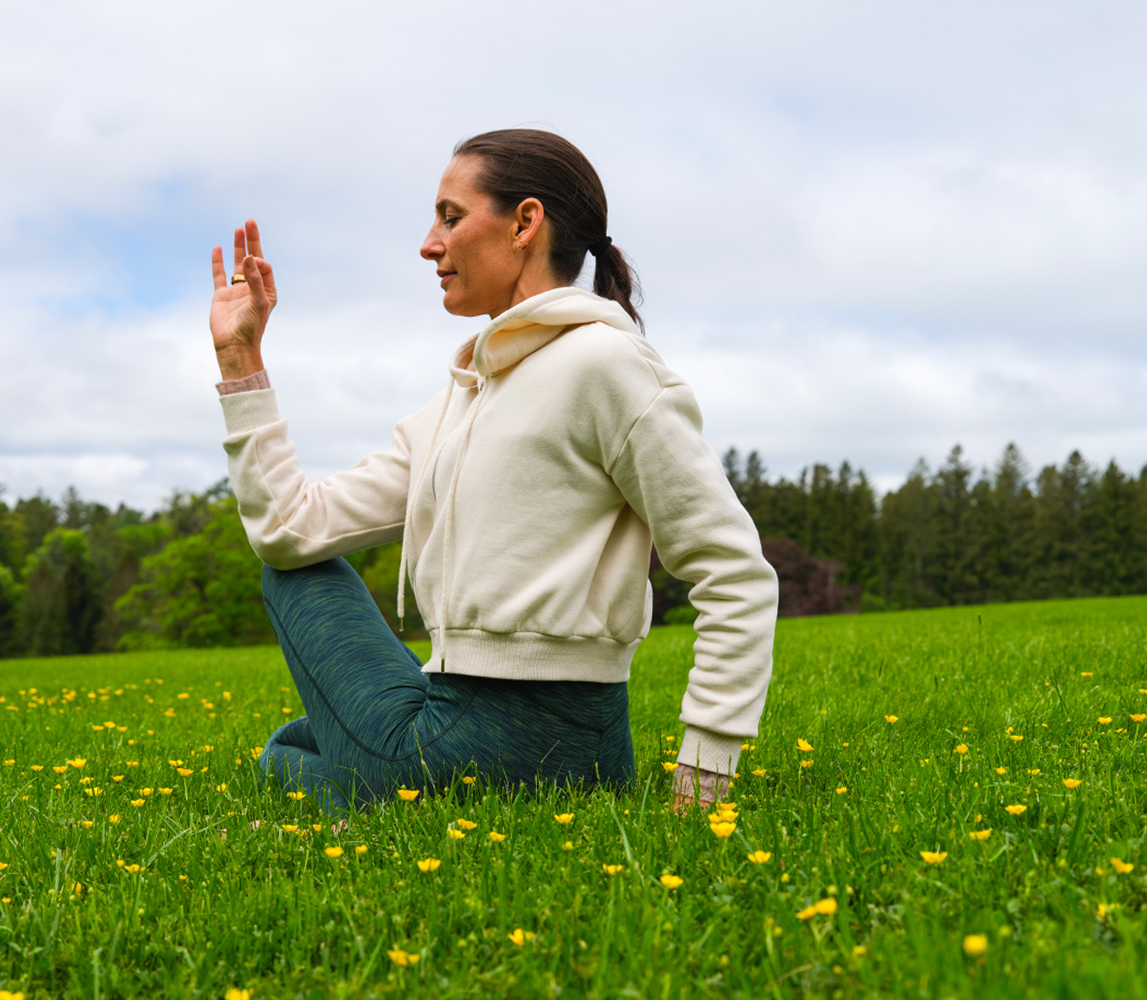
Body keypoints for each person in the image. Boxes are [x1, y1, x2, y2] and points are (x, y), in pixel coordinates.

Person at [209, 128, 778, 816]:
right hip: (588, 747)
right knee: (305, 722)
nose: (428, 243)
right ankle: (371, 778)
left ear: (524, 223)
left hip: (473, 745)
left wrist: (705, 772)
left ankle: (375, 794)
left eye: (451, 216)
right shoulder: (458, 401)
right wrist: (241, 360)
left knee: (288, 746)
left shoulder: (604, 365)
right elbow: (290, 525)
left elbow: (735, 572)